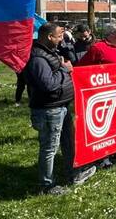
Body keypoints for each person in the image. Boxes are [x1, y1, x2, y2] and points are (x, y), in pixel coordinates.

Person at [25, 23, 96, 194]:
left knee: (68, 141)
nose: (62, 39)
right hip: (49, 110)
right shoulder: (38, 58)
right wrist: (65, 70)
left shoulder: (51, 52)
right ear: (49, 37)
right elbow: (48, 85)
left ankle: (74, 174)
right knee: (50, 147)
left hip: (61, 106)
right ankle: (47, 185)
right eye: (59, 36)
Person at [76, 22, 116, 168]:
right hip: (104, 94)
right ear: (111, 34)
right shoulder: (98, 48)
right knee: (105, 127)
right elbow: (82, 69)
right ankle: (102, 157)